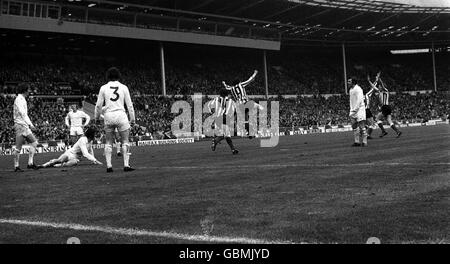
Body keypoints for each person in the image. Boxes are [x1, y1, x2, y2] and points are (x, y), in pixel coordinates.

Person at [94, 67, 136, 172]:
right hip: (121, 115)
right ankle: (126, 165)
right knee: (125, 140)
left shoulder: (103, 88)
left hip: (108, 116)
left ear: (108, 76)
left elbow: (98, 105)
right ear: (118, 76)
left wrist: (97, 117)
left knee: (108, 141)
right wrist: (132, 119)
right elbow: (129, 105)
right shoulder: (124, 87)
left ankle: (109, 166)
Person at [222, 70, 263, 138]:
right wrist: (255, 73)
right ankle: (259, 106)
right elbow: (249, 80)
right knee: (252, 103)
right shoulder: (241, 85)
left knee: (246, 119)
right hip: (245, 102)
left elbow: (226, 87)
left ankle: (249, 133)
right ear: (239, 82)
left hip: (239, 106)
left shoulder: (231, 88)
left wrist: (224, 83)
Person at [37, 127, 102, 168]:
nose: (96, 135)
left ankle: (57, 165)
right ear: (91, 135)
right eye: (94, 134)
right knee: (60, 160)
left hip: (76, 157)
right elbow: (85, 153)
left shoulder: (90, 141)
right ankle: (43, 165)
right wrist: (95, 160)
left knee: (74, 162)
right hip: (70, 153)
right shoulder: (83, 140)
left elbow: (90, 150)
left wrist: (94, 161)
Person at [13, 83, 39, 172]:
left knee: (34, 143)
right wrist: (30, 124)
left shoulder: (22, 99)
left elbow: (24, 114)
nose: (29, 91)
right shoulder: (19, 99)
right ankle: (16, 166)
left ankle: (30, 163)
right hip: (20, 125)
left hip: (24, 125)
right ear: (24, 90)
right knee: (18, 147)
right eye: (28, 89)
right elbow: (23, 114)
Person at [208, 89, 238, 154]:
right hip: (225, 118)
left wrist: (212, 113)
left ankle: (233, 150)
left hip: (217, 119)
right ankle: (215, 141)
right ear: (227, 94)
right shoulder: (230, 100)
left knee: (227, 136)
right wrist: (235, 120)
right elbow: (235, 110)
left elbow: (209, 105)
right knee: (224, 135)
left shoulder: (216, 99)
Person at [348, 77, 367, 147]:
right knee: (354, 126)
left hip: (360, 109)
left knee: (362, 126)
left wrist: (355, 109)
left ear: (353, 82)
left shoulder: (358, 89)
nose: (348, 83)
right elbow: (351, 101)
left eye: (349, 81)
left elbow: (359, 100)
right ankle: (357, 142)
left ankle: (364, 142)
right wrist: (351, 110)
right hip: (353, 110)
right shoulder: (351, 90)